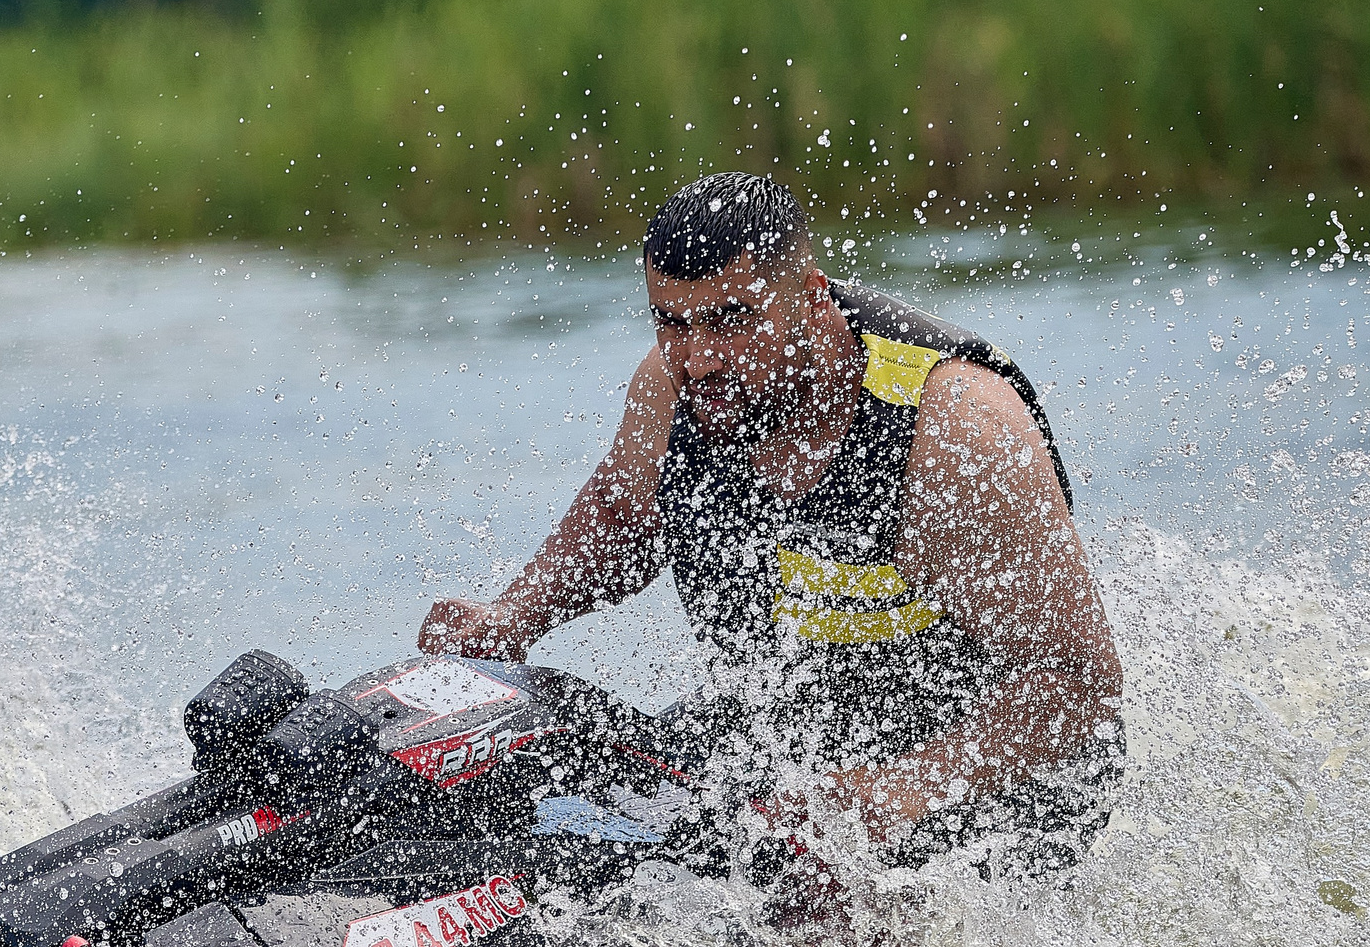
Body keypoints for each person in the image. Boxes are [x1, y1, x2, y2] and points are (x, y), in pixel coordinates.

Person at [419, 171, 1124, 887]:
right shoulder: (674, 386)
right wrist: (513, 616)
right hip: (795, 747)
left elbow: (1080, 686)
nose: (699, 360)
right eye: (671, 323)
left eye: (731, 320)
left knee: (807, 900)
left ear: (811, 298)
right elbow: (622, 516)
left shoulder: (956, 426)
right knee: (553, 780)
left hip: (987, 789)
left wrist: (886, 795)